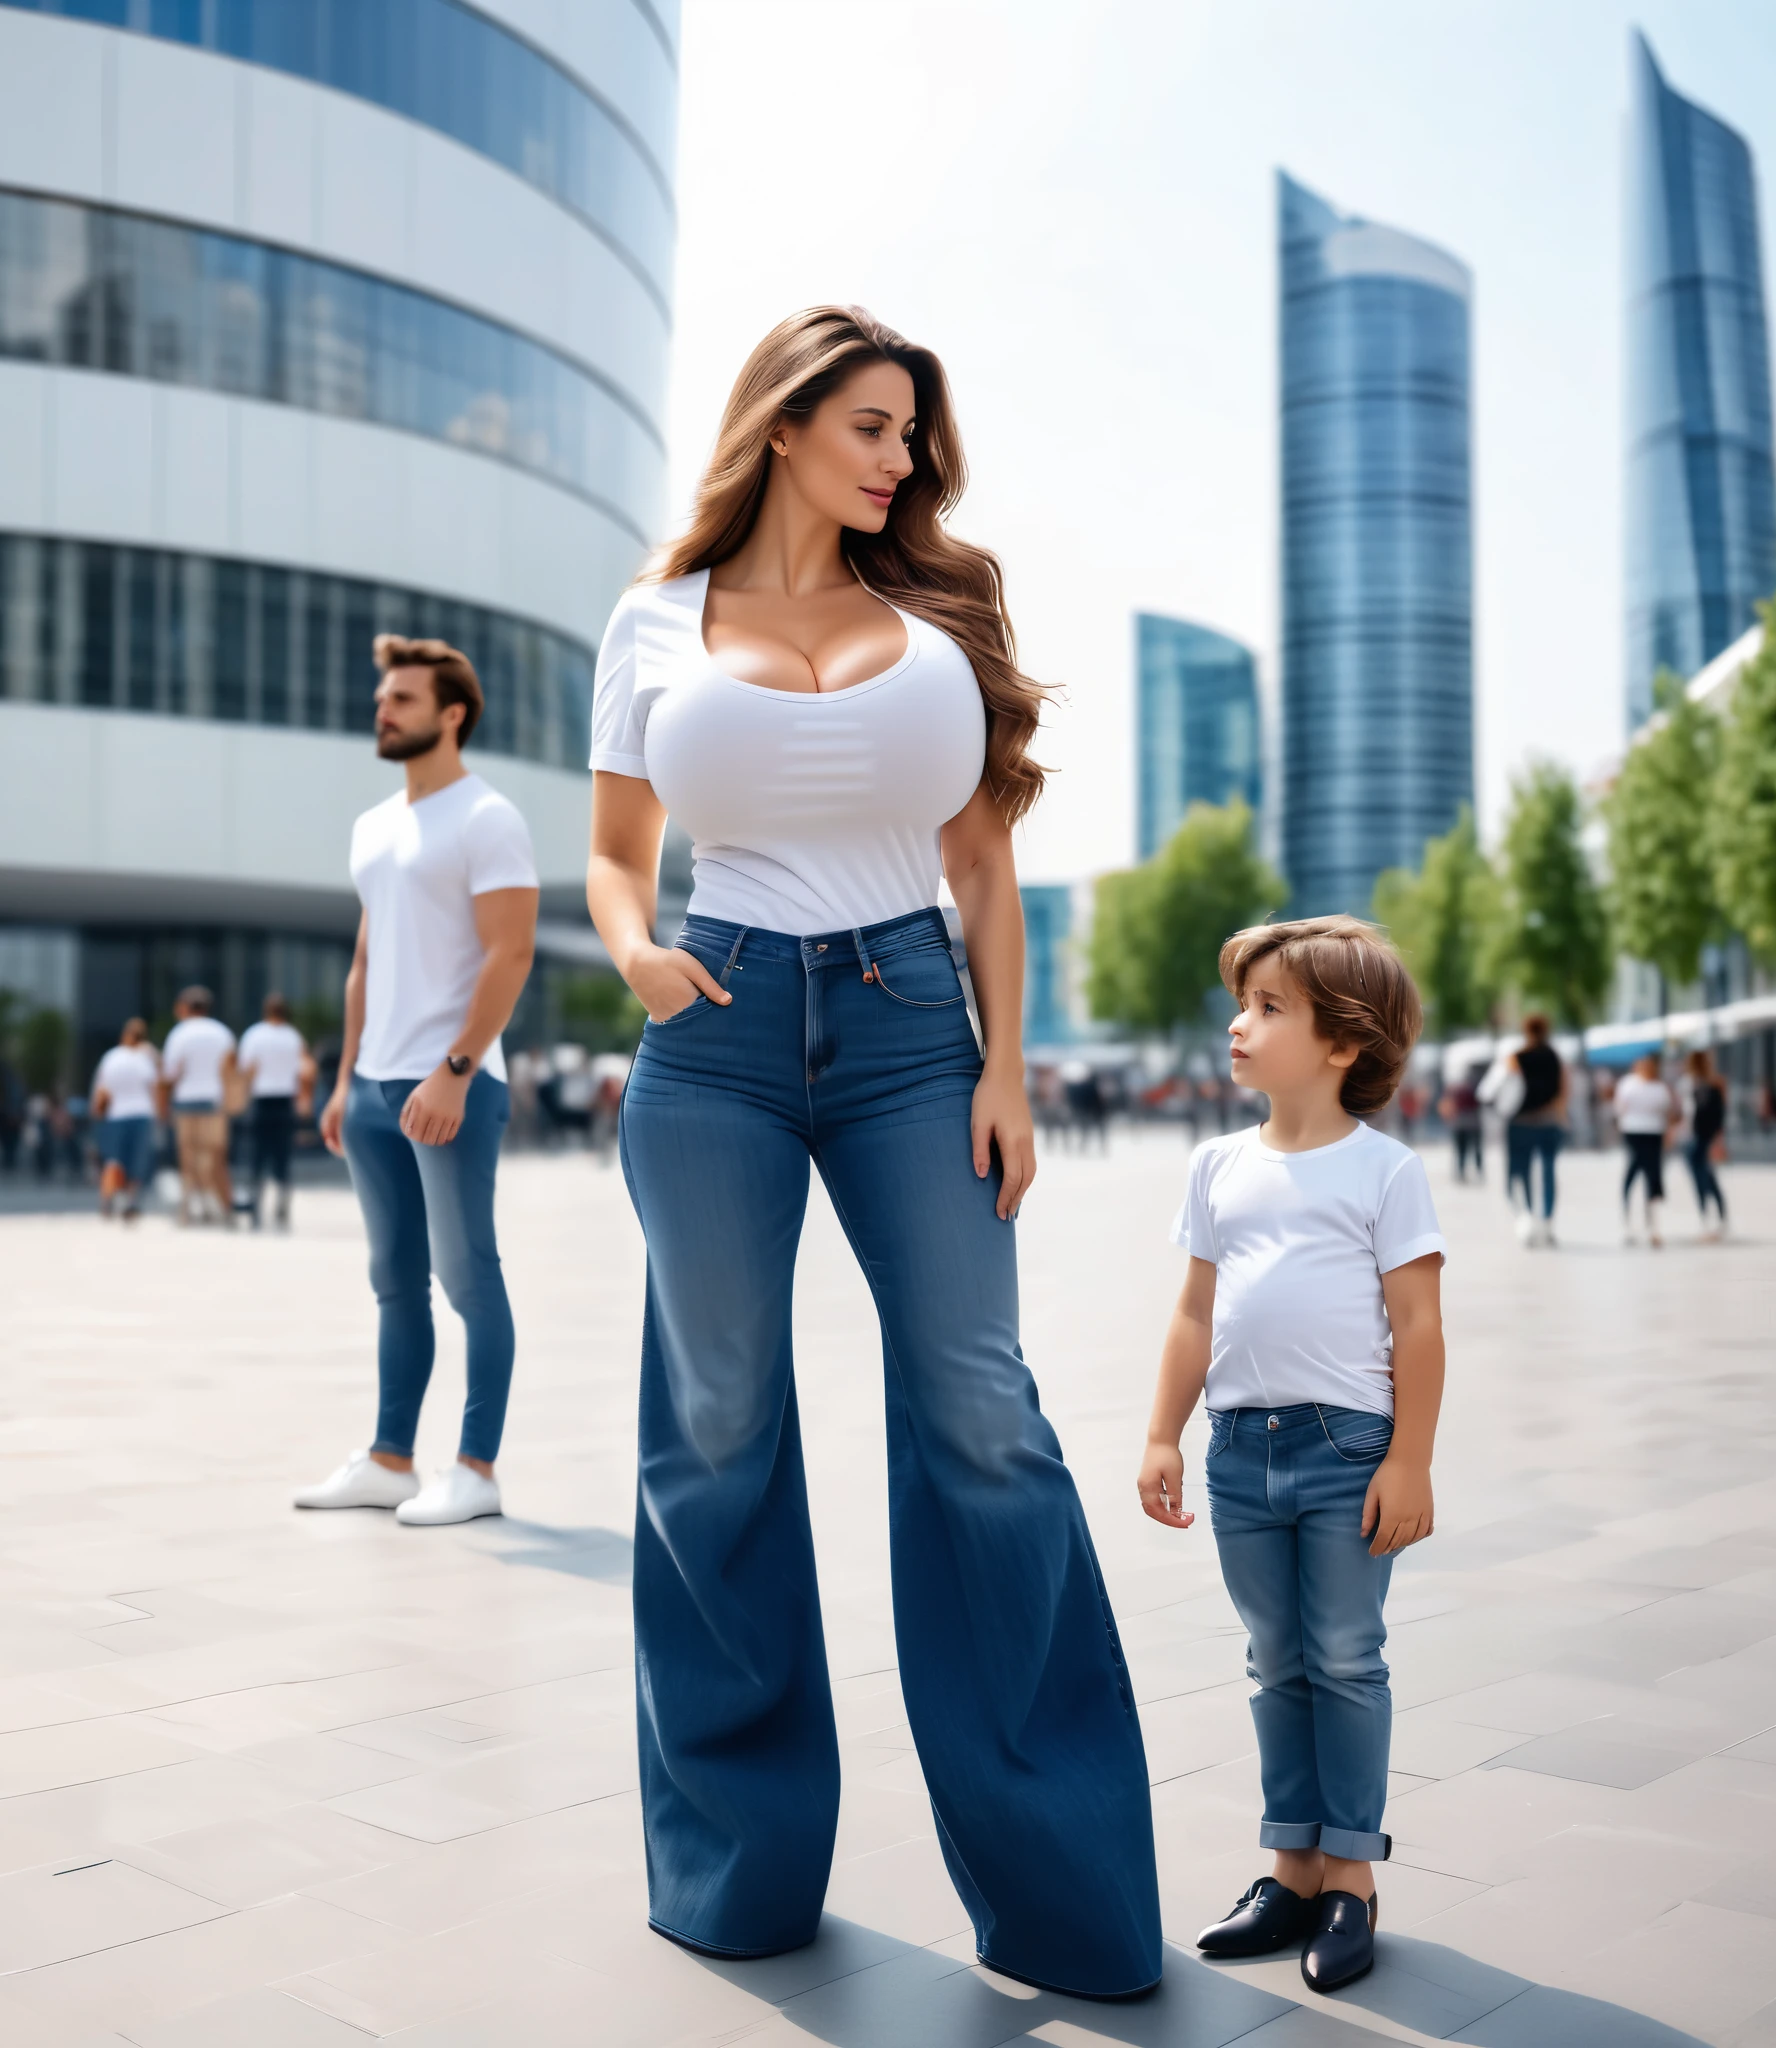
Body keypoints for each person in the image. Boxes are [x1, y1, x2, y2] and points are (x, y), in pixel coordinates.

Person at [585, 307, 1161, 1998]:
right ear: (781, 426)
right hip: (716, 1027)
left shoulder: (933, 614)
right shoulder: (651, 621)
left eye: (911, 432)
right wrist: (629, 950)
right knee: (712, 1423)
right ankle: (734, 1866)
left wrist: (1006, 1068)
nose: (900, 458)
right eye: (870, 424)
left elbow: (981, 866)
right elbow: (618, 856)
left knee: (983, 1412)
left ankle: (1064, 1891)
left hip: (914, 1025)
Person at [1139, 917, 1444, 1998]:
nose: (1238, 1022)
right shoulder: (1215, 1164)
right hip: (1238, 1449)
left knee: (1345, 1655)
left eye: (1270, 1008)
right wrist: (1160, 1430)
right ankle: (1288, 1868)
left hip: (1344, 1446)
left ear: (1341, 1044)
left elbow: (1416, 1327)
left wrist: (1407, 1460)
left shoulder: (1383, 1171)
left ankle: (1350, 1875)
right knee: (1275, 1657)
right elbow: (1191, 1312)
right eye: (1241, 1002)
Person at [301, 634, 538, 1528]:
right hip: (372, 1087)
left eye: (401, 699)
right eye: (382, 697)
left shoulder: (488, 818)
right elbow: (366, 960)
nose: (383, 710)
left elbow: (511, 954)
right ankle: (391, 1459)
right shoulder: (375, 826)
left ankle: (475, 1469)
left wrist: (454, 1070)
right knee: (393, 1280)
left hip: (453, 1085)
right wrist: (343, 1077)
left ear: (452, 714)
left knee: (467, 1277)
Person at [159, 987, 236, 1226]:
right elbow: (232, 1071)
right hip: (215, 1102)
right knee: (215, 1158)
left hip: (186, 1102)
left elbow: (169, 1074)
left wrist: (162, 1105)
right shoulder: (222, 1033)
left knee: (188, 1158)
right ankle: (225, 1208)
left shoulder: (178, 1034)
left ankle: (186, 1211)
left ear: (185, 1007)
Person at [238, 993, 313, 1230]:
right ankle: (282, 1202)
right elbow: (306, 1070)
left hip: (261, 1099)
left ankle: (256, 1204)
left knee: (257, 1155)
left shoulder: (254, 1035)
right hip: (284, 1100)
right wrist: (304, 1099)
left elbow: (247, 1069)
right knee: (282, 1155)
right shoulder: (293, 1037)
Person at [1503, 1014, 1566, 1247]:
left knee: (1522, 1171)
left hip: (1520, 1121)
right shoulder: (1554, 1057)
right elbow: (1561, 1090)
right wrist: (1562, 1117)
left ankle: (1528, 1219)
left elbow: (1505, 1088)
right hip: (1548, 1121)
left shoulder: (1517, 1058)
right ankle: (1548, 1223)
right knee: (1548, 1171)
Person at [91, 1018, 161, 1222]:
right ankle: (130, 1201)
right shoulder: (146, 1058)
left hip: (116, 1115)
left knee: (113, 1161)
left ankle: (107, 1200)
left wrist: (96, 1113)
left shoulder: (111, 1057)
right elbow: (155, 1088)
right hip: (141, 1113)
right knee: (136, 1162)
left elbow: (101, 1089)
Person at [1613, 1051, 1678, 1248]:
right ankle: (1628, 1223)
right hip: (1633, 1133)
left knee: (1653, 1178)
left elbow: (1669, 1113)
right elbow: (1620, 1108)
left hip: (1653, 1134)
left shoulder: (1660, 1087)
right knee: (1631, 1175)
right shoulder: (1628, 1084)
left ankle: (1653, 1226)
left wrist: (1668, 1134)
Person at [1682, 1047, 1729, 1240]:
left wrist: (1717, 1140)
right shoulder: (1689, 1086)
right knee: (1700, 1179)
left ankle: (1716, 1217)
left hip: (1703, 1138)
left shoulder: (1711, 1087)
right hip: (1690, 1139)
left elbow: (1718, 1117)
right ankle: (1708, 1217)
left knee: (1706, 1178)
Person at [1442, 1071, 1483, 1181]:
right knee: (1471, 1150)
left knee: (1462, 1150)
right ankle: (1474, 1171)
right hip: (1471, 1124)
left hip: (1462, 1124)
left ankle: (1462, 1171)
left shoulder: (1456, 1090)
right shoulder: (1475, 1090)